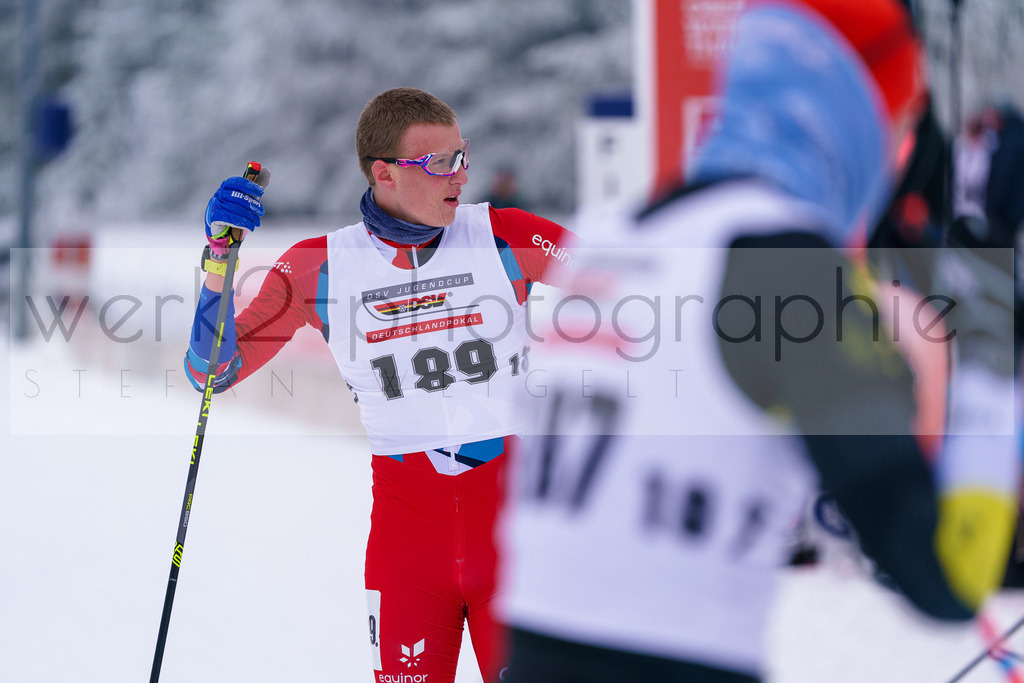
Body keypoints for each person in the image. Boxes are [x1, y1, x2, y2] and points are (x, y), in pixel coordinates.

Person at [499, 1, 1020, 681]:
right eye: (900, 119)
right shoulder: (787, 265)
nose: (899, 153)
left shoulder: (611, 232)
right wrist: (992, 364)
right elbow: (947, 575)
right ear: (852, 112)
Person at [185, 87, 573, 683]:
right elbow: (210, 372)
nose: (459, 175)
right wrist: (219, 258)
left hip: (514, 536)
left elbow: (632, 286)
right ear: (385, 172)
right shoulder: (322, 266)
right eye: (439, 162)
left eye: (461, 156)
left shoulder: (505, 235)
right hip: (408, 544)